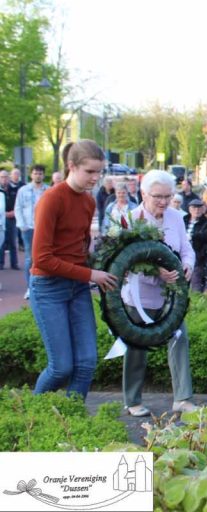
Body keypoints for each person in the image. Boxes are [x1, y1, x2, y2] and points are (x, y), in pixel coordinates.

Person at [30, 140, 118, 399]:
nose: (95, 177)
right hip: (48, 287)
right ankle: (33, 415)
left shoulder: (89, 201)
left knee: (87, 363)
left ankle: (71, 416)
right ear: (72, 166)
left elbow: (80, 248)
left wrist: (109, 260)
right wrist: (91, 275)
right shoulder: (51, 199)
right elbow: (41, 259)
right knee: (61, 368)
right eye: (89, 171)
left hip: (77, 287)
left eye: (99, 172)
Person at [121, 169, 197, 417]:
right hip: (139, 297)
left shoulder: (176, 217)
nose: (163, 201)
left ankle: (182, 398)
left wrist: (187, 264)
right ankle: (132, 400)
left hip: (171, 296)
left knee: (179, 339)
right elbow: (127, 260)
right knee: (137, 346)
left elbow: (186, 248)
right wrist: (157, 272)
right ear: (144, 194)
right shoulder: (132, 220)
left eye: (167, 196)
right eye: (158, 196)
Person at [15, 165, 50, 299]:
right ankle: (30, 287)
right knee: (30, 258)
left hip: (44, 228)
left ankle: (44, 286)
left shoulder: (49, 190)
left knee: (45, 257)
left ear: (43, 175)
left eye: (40, 173)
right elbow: (18, 207)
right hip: (28, 228)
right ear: (31, 175)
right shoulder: (23, 190)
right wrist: (22, 225)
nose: (38, 176)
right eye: (35, 173)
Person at [185, 198, 207, 292]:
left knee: (196, 282)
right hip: (182, 255)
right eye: (194, 208)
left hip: (198, 255)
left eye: (199, 208)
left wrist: (193, 236)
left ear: (203, 209)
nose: (197, 210)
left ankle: (197, 297)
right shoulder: (183, 220)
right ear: (189, 209)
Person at [0, 169, 20, 270]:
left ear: (9, 178)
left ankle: (14, 263)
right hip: (1, 219)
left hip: (12, 218)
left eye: (6, 177)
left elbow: (19, 202)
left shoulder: (14, 189)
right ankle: (1, 263)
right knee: (1, 242)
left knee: (13, 242)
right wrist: (4, 214)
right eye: (2, 177)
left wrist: (14, 212)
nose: (4, 179)